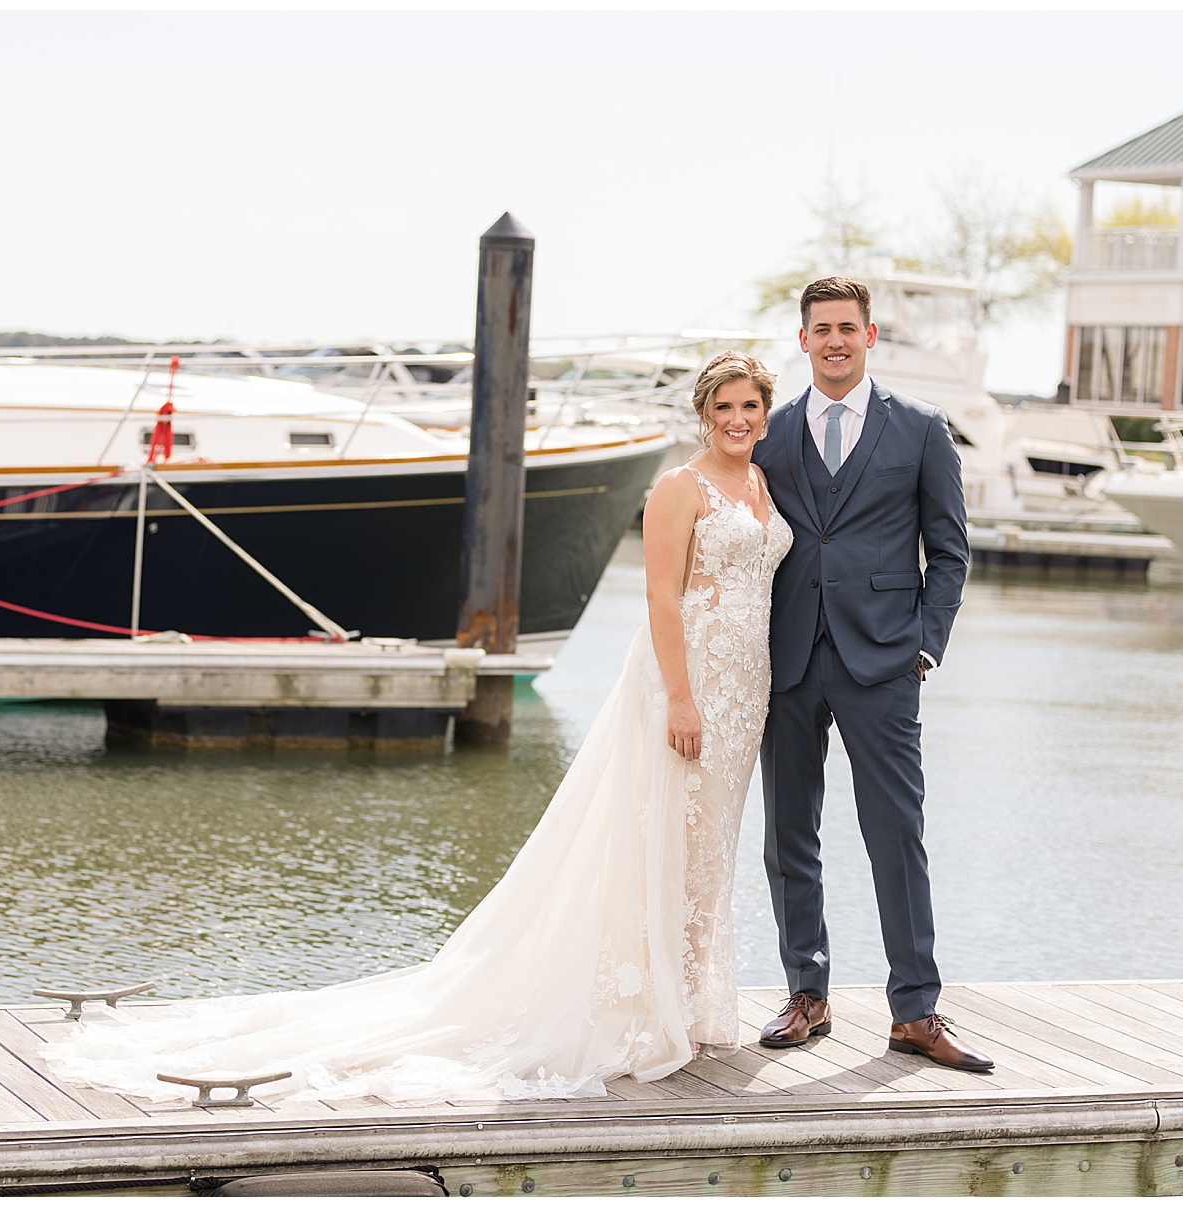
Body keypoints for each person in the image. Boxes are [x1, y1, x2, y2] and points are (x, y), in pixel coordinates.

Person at [42, 352, 790, 1106]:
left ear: (765, 413)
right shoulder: (676, 486)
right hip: (686, 683)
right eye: (724, 407)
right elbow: (661, 598)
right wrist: (682, 699)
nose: (737, 420)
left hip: (744, 691)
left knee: (706, 848)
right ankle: (645, 1006)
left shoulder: (759, 481)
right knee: (657, 840)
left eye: (750, 408)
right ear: (703, 412)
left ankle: (695, 1002)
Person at [750, 276, 992, 1072]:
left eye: (847, 327)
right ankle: (807, 993)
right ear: (803, 339)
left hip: (884, 659)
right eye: (820, 328)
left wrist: (925, 644)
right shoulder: (772, 434)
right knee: (790, 835)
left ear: (871, 335)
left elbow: (950, 550)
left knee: (897, 832)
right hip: (787, 660)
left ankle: (915, 1010)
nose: (834, 340)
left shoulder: (920, 429)